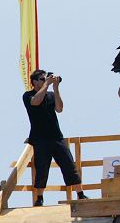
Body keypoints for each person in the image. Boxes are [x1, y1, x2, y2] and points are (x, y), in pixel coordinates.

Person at [22, 69, 87, 206]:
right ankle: (39, 197)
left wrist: (56, 88)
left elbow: (59, 108)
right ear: (34, 82)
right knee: (42, 168)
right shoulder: (27, 95)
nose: (44, 81)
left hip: (56, 136)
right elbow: (36, 102)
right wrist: (47, 84)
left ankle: (80, 194)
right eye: (41, 79)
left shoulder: (50, 95)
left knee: (69, 165)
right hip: (40, 139)